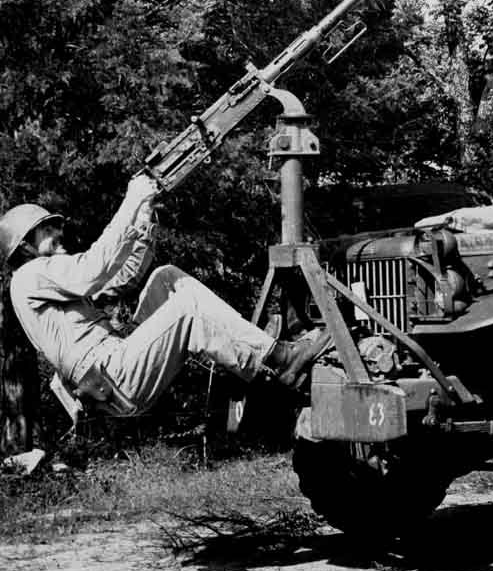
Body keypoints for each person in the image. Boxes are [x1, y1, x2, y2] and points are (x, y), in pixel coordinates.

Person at [0, 175, 321, 419]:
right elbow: (94, 268)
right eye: (47, 230)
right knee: (188, 309)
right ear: (24, 244)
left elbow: (122, 278)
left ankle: (257, 358)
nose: (58, 234)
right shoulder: (30, 275)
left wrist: (143, 221)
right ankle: (278, 360)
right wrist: (132, 199)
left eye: (56, 227)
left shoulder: (48, 281)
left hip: (115, 361)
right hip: (110, 375)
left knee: (166, 278)